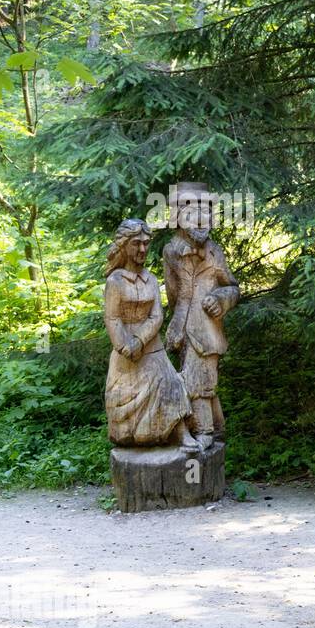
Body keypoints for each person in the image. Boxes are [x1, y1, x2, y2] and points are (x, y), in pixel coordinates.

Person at [103, 218, 200, 452]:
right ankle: (132, 437)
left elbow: (157, 316)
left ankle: (181, 434)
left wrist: (140, 340)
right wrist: (125, 345)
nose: (143, 249)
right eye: (137, 244)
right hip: (125, 352)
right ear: (124, 246)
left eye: (146, 243)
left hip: (151, 347)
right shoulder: (115, 282)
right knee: (122, 395)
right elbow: (112, 318)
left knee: (171, 383)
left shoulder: (151, 280)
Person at [163, 181, 239, 449]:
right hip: (182, 328)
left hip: (207, 328)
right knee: (195, 378)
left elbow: (232, 286)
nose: (199, 218)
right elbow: (173, 295)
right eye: (190, 211)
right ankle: (216, 429)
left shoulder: (214, 252)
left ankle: (205, 432)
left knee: (198, 381)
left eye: (205, 211)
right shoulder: (171, 250)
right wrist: (177, 324)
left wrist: (221, 299)